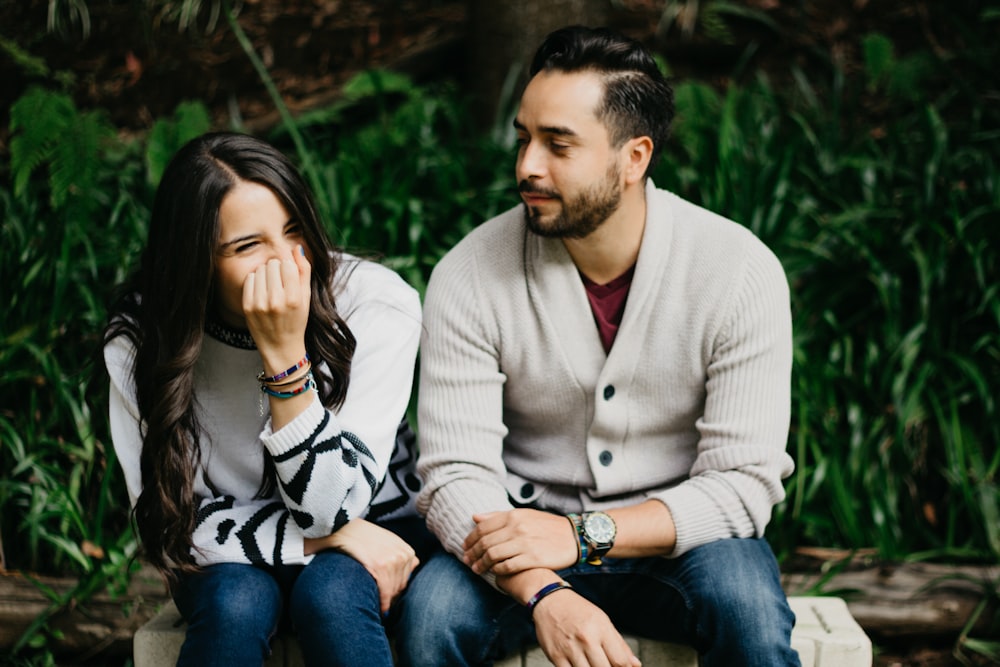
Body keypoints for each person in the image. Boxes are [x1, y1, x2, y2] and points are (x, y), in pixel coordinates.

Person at [399, 25, 800, 667]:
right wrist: (545, 591)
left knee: (750, 613)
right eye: (524, 138)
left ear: (634, 157)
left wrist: (580, 537)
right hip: (515, 537)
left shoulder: (738, 271)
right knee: (431, 619)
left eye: (558, 144)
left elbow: (742, 485)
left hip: (679, 540)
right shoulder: (469, 274)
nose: (527, 165)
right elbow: (455, 477)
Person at [103, 132, 433, 667]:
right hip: (226, 552)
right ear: (196, 262)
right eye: (247, 246)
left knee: (330, 596)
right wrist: (311, 544)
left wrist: (284, 360)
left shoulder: (376, 303)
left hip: (375, 526)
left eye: (294, 230)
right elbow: (169, 524)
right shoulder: (142, 338)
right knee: (236, 602)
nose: (289, 264)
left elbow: (336, 509)